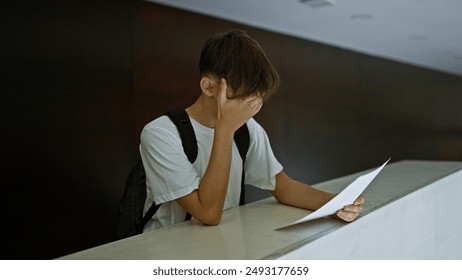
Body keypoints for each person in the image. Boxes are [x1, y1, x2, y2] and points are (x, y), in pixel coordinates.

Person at [140, 29, 364, 231]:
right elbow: (208, 214)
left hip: (220, 246)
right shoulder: (160, 134)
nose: (250, 108)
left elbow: (282, 186)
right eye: (244, 98)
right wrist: (225, 130)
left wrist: (335, 203)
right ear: (209, 87)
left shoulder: (247, 129)